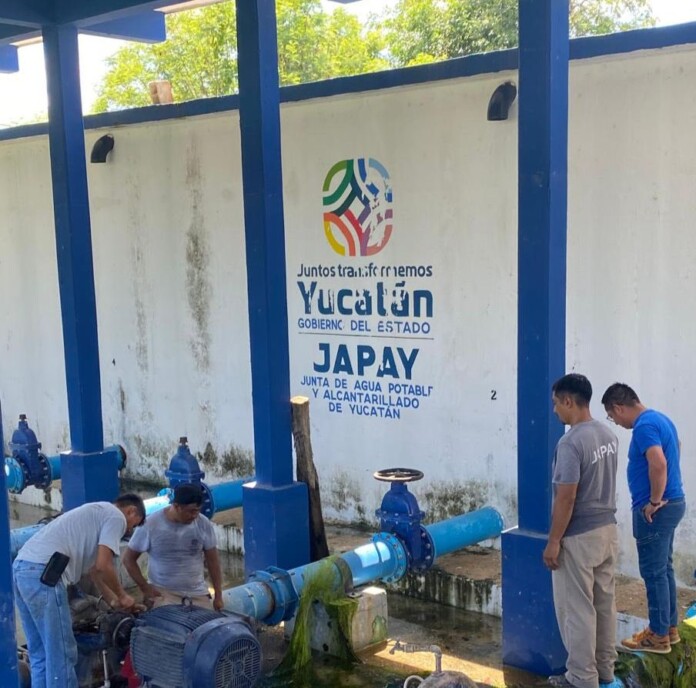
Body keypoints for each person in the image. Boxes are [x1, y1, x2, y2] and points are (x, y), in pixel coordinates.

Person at [13, 493, 146, 688]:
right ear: (131, 510)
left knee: (40, 652)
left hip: (21, 570)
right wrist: (124, 596)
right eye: (134, 524)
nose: (130, 530)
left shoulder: (95, 513)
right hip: (45, 576)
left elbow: (95, 571)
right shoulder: (115, 516)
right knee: (63, 654)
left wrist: (114, 602)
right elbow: (104, 565)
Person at [544, 374, 620, 688]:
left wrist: (553, 541)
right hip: (607, 532)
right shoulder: (608, 434)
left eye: (555, 404)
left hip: (578, 537)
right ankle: (605, 672)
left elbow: (567, 496)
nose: (554, 412)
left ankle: (580, 678)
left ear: (569, 401)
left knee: (577, 611)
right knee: (604, 605)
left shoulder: (571, 442)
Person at [602, 382, 686, 654]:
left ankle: (658, 635)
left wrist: (653, 500)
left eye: (612, 417)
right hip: (673, 503)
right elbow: (676, 449)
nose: (615, 422)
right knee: (664, 568)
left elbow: (659, 462)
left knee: (653, 572)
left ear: (618, 407)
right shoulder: (661, 419)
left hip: (657, 511)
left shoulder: (643, 427)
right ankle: (669, 628)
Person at [122, 483, 224, 611]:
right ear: (176, 506)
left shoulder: (203, 524)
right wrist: (145, 588)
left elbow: (213, 561)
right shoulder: (150, 524)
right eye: (191, 511)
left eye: (197, 511)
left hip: (196, 592)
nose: (194, 516)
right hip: (163, 593)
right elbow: (128, 560)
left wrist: (218, 596)